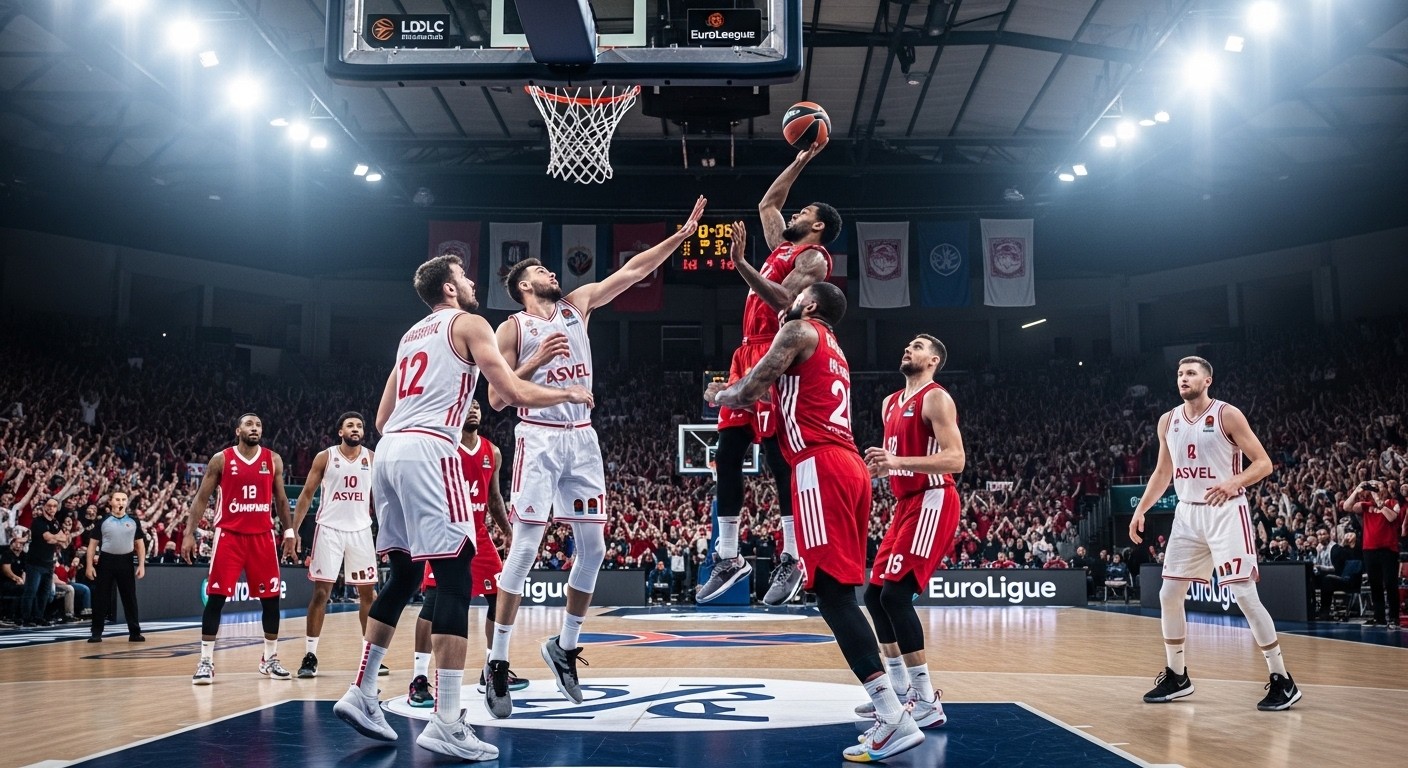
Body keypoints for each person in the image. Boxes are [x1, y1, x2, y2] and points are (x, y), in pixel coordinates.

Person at [331, 254, 591, 762]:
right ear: (449, 289)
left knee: (404, 577)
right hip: (430, 449)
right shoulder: (469, 324)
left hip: (389, 453)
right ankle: (447, 720)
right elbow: (509, 391)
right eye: (464, 277)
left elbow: (381, 419)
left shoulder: (410, 336)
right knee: (455, 579)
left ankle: (362, 690)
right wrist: (568, 391)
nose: (472, 283)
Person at [484, 196, 706, 718]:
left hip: (582, 439)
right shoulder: (512, 328)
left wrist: (680, 237)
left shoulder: (576, 305)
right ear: (523, 285)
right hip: (538, 437)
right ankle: (497, 661)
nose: (551, 272)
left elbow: (633, 271)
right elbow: (495, 399)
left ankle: (564, 647)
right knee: (526, 547)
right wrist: (536, 360)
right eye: (541, 270)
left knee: (595, 548)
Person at [709, 280, 923, 763]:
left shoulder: (799, 330)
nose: (786, 300)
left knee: (832, 596)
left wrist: (721, 394)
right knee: (840, 593)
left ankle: (892, 714)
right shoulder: (833, 348)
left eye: (795, 295)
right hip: (847, 465)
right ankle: (892, 706)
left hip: (818, 465)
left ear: (808, 304)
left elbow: (751, 386)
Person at [700, 145, 841, 607]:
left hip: (775, 349)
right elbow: (768, 203)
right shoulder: (782, 246)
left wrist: (741, 264)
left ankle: (792, 556)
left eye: (804, 212)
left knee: (779, 457)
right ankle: (727, 556)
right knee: (728, 452)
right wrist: (801, 160)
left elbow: (783, 300)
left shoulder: (814, 259)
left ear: (817, 226)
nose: (794, 214)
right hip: (745, 349)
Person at [1130, 356, 1302, 711]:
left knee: (1244, 595)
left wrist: (1234, 482)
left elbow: (1264, 463)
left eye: (1191, 373)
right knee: (1169, 594)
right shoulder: (1168, 421)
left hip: (1226, 511)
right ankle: (1177, 675)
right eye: (1180, 373)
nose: (1183, 378)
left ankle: (1282, 679)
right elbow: (1163, 472)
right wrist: (1141, 509)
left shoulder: (1227, 415)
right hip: (1187, 513)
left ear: (1207, 380)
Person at [854, 334, 965, 732]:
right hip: (905, 505)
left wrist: (897, 461)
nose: (908, 348)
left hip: (934, 499)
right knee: (874, 595)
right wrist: (881, 469)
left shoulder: (936, 398)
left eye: (918, 346)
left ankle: (927, 699)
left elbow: (956, 459)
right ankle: (900, 690)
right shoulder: (889, 403)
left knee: (896, 595)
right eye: (907, 345)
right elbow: (896, 462)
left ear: (933, 360)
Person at [407, 402, 529, 709]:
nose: (473, 410)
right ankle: (419, 678)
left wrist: (508, 531)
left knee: (500, 598)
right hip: (446, 532)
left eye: (477, 406)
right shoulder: (443, 446)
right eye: (468, 406)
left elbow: (494, 497)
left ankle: (492, 667)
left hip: (479, 535)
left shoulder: (492, 451)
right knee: (433, 603)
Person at [181, 413, 296, 683]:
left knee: (271, 600)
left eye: (258, 425)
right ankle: (205, 661)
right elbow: (202, 497)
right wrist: (189, 533)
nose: (254, 428)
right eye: (249, 424)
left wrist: (289, 533)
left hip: (262, 537)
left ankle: (270, 658)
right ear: (238, 430)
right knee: (216, 599)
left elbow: (281, 499)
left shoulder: (273, 459)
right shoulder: (221, 459)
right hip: (229, 536)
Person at [291, 412, 384, 678]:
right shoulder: (325, 457)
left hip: (361, 531)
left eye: (359, 426)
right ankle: (310, 655)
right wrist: (293, 531)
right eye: (350, 425)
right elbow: (306, 494)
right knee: (321, 594)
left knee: (369, 596)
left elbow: (381, 498)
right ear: (340, 432)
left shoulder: (372, 458)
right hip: (329, 530)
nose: (355, 429)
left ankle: (370, 657)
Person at [85, 491, 145, 642]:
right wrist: (89, 566)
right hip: (106, 561)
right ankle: (96, 632)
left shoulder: (133, 521)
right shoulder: (103, 521)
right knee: (101, 597)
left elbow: (140, 544)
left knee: (129, 597)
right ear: (110, 502)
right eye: (117, 499)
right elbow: (92, 545)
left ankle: (135, 632)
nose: (121, 502)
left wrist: (141, 565)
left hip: (126, 561)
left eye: (123, 500)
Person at [1342, 481, 1400, 628]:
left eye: (1377, 485)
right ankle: (1379, 617)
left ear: (1384, 488)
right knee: (1375, 584)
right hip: (1369, 549)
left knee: (1390, 584)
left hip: (1388, 549)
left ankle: (1394, 618)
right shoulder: (1366, 505)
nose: (1374, 487)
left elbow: (1392, 517)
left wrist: (1376, 497)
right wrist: (1357, 490)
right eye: (1372, 485)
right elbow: (1346, 507)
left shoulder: (1393, 503)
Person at [20, 498, 67, 627]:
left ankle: (38, 617)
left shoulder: (56, 523)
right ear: (44, 507)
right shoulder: (38, 521)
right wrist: (56, 538)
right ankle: (26, 618)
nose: (51, 508)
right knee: (31, 591)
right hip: (35, 563)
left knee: (44, 593)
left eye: (54, 506)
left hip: (48, 563)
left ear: (57, 508)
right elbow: (47, 537)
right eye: (49, 505)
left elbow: (64, 538)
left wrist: (54, 538)